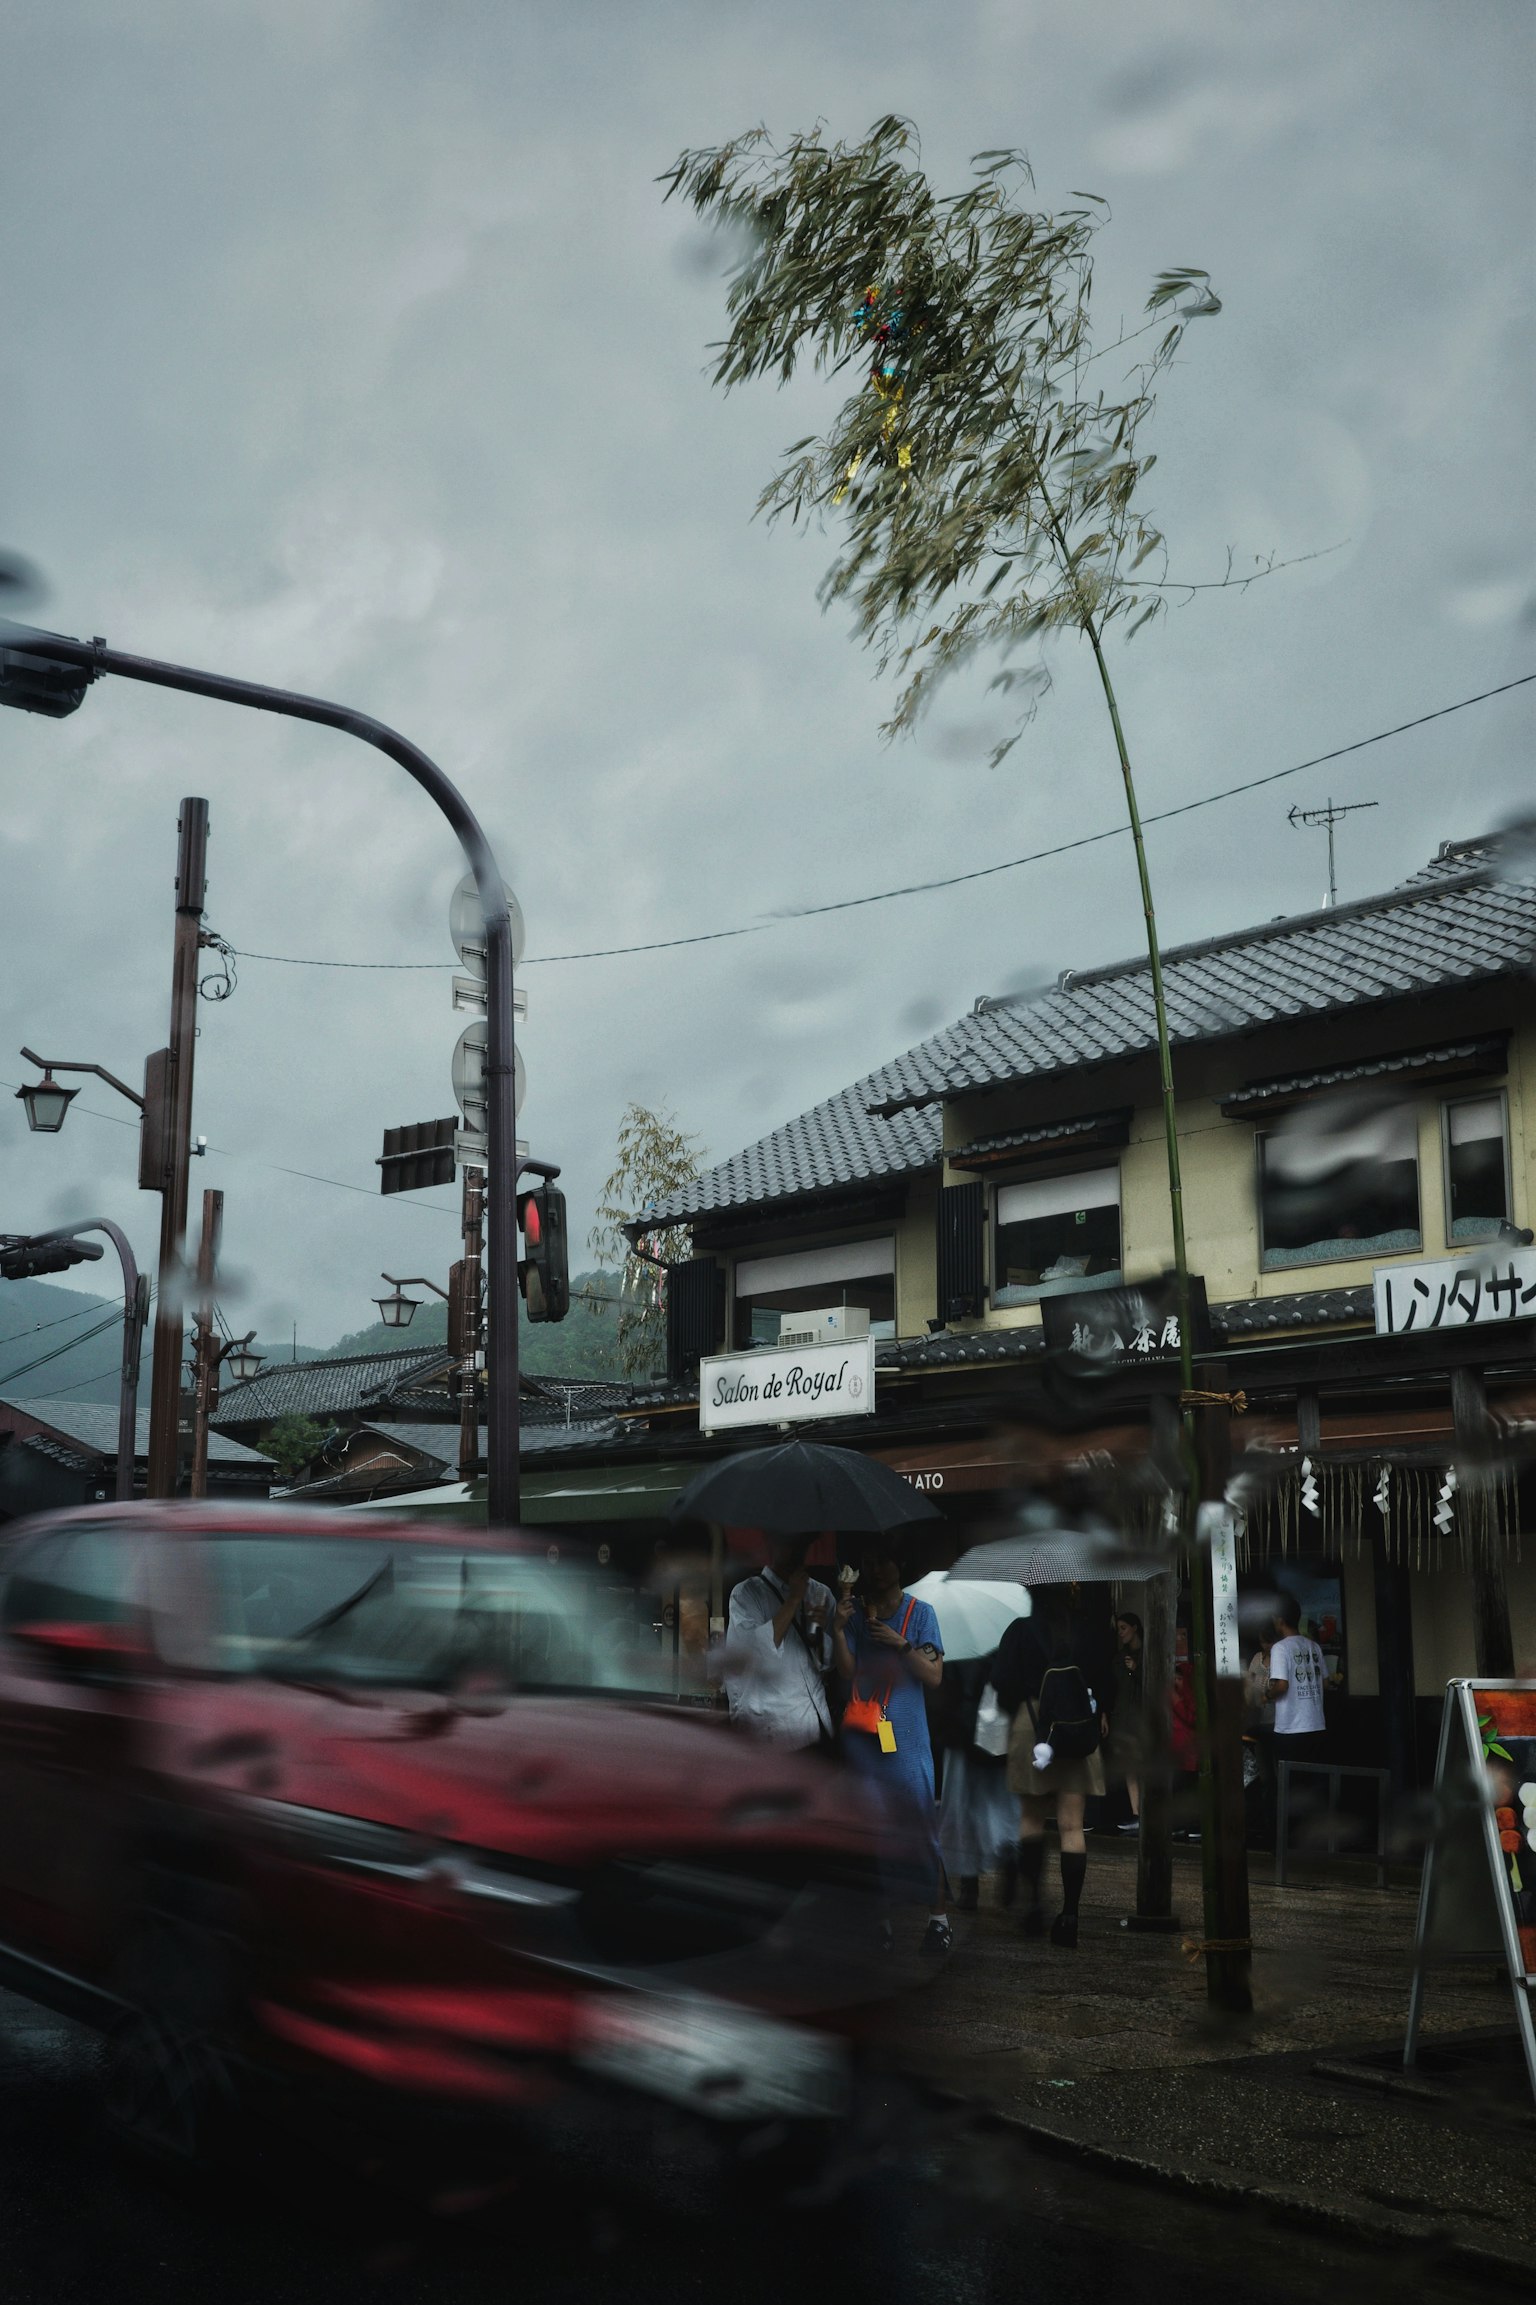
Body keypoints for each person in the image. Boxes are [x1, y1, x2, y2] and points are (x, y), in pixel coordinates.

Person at [833, 1539, 949, 1957]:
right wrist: (838, 1629)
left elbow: (934, 1676)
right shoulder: (856, 1612)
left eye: (883, 1560)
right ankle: (880, 1923)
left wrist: (899, 1643)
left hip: (907, 1740)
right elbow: (847, 1672)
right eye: (868, 1562)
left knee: (918, 1828)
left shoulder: (921, 1614)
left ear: (900, 1562)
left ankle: (938, 1920)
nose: (876, 1568)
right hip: (867, 1737)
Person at [995, 1597, 1106, 1948]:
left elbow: (1001, 1683)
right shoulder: (1088, 1631)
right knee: (1072, 1825)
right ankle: (1070, 1915)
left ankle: (1035, 1904)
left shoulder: (1021, 1630)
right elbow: (1105, 1678)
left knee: (1031, 1818)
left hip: (1034, 1723)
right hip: (1076, 1725)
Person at [721, 1534, 835, 1750]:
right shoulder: (746, 1593)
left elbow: (828, 1663)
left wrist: (816, 1633)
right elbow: (753, 1654)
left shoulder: (821, 1593)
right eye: (790, 1544)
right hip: (771, 1728)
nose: (798, 1552)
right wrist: (793, 1600)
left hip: (814, 1722)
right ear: (773, 1545)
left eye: (802, 1545)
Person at [933, 1649, 1017, 1909]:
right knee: (999, 1805)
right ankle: (1008, 1855)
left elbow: (944, 1693)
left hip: (961, 1732)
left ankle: (970, 1887)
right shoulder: (1006, 1648)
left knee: (963, 1809)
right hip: (998, 1735)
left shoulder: (955, 1649)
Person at [1267, 1593, 1328, 1763]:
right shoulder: (1314, 1646)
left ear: (1280, 1620)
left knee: (1291, 1782)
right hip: (1317, 1724)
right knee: (1313, 1780)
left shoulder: (1280, 1648)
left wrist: (1267, 1695)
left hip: (1291, 1728)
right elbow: (1326, 1683)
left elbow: (1282, 1686)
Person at [1105, 1611, 1149, 1835]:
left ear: (1135, 1628)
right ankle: (1137, 1813)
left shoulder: (1147, 1655)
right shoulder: (1118, 1658)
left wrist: (1136, 1670)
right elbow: (1113, 1689)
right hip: (1122, 1717)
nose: (1121, 1633)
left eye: (1123, 1628)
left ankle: (1146, 1813)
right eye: (1118, 1629)